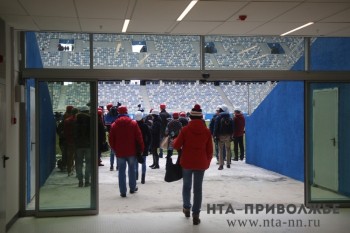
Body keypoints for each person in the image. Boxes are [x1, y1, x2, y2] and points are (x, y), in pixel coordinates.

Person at [173, 104, 213, 225]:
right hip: (201, 162)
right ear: (201, 117)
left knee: (186, 186)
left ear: (190, 117)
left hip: (187, 162)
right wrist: (207, 162)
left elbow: (176, 145)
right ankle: (196, 214)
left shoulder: (185, 130)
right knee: (198, 189)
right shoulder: (206, 131)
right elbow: (210, 150)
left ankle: (186, 208)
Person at [109, 105, 144, 197]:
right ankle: (132, 188)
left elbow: (111, 140)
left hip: (120, 152)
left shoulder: (114, 125)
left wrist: (115, 149)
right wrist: (141, 148)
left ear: (118, 113)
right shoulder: (133, 123)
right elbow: (139, 137)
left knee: (121, 171)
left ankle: (123, 191)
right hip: (131, 151)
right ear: (127, 112)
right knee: (132, 170)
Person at [74, 106, 92, 187]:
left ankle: (80, 181)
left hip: (78, 145)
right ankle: (87, 181)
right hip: (89, 145)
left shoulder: (75, 120)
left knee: (79, 163)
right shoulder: (91, 120)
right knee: (88, 163)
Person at [213, 104, 234, 170]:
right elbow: (233, 128)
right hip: (228, 136)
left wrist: (215, 135)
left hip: (220, 136)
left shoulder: (218, 117)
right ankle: (228, 163)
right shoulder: (230, 118)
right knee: (228, 149)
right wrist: (231, 136)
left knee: (220, 150)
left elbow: (216, 128)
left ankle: (221, 165)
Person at [134, 111, 151, 184]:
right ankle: (143, 178)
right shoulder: (145, 126)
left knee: (136, 162)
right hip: (144, 146)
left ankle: (136, 176)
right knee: (143, 162)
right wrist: (148, 146)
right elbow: (150, 136)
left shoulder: (133, 125)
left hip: (135, 147)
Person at [63, 107, 78, 176]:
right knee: (77, 156)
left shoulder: (67, 120)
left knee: (70, 156)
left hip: (69, 140)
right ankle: (77, 171)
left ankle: (69, 170)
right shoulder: (77, 120)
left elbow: (65, 131)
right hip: (77, 140)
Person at [104, 105, 119, 171]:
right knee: (117, 152)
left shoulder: (107, 116)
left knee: (112, 152)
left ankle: (111, 166)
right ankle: (117, 166)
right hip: (117, 135)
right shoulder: (117, 116)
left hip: (110, 134)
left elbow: (106, 123)